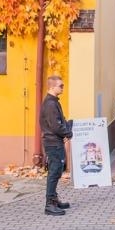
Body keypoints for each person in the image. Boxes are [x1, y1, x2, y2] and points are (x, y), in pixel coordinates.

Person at [39, 74, 72, 217]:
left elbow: (60, 121)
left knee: (57, 171)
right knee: (54, 172)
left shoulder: (53, 102)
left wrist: (67, 126)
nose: (63, 88)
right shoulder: (50, 104)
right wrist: (67, 133)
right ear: (52, 87)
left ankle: (54, 199)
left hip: (54, 141)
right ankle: (49, 204)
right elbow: (55, 126)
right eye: (61, 86)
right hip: (53, 143)